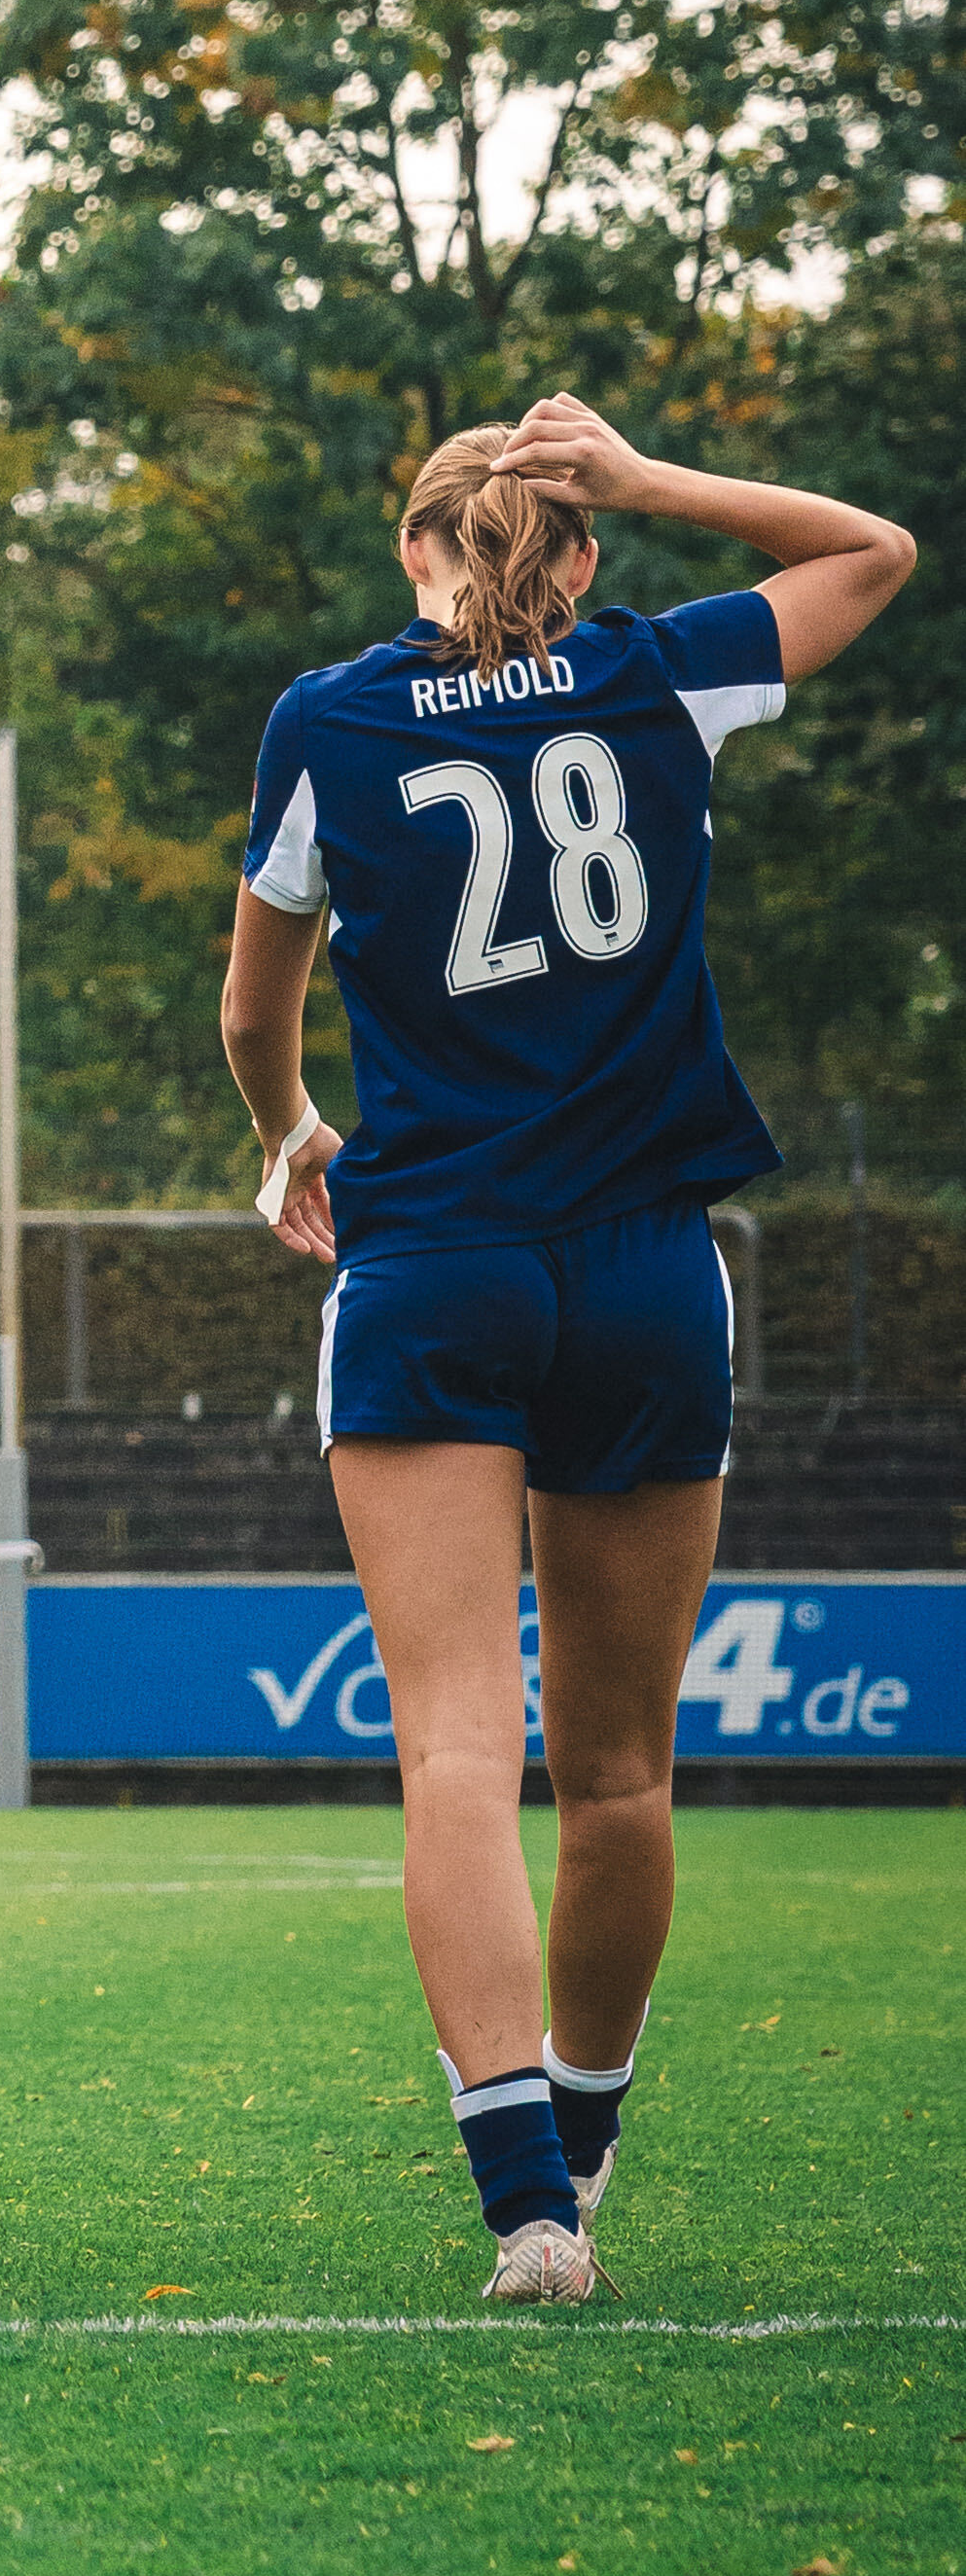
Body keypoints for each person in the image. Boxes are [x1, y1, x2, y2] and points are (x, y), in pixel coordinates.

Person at [226, 394, 912, 2307]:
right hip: (636, 1269)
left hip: (432, 1256)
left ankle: (523, 2209)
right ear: (578, 548)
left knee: (453, 1752)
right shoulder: (654, 675)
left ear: (410, 555)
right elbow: (868, 552)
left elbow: (246, 1013)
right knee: (612, 1775)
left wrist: (290, 1131)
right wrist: (643, 475)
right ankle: (586, 2152)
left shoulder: (326, 719)